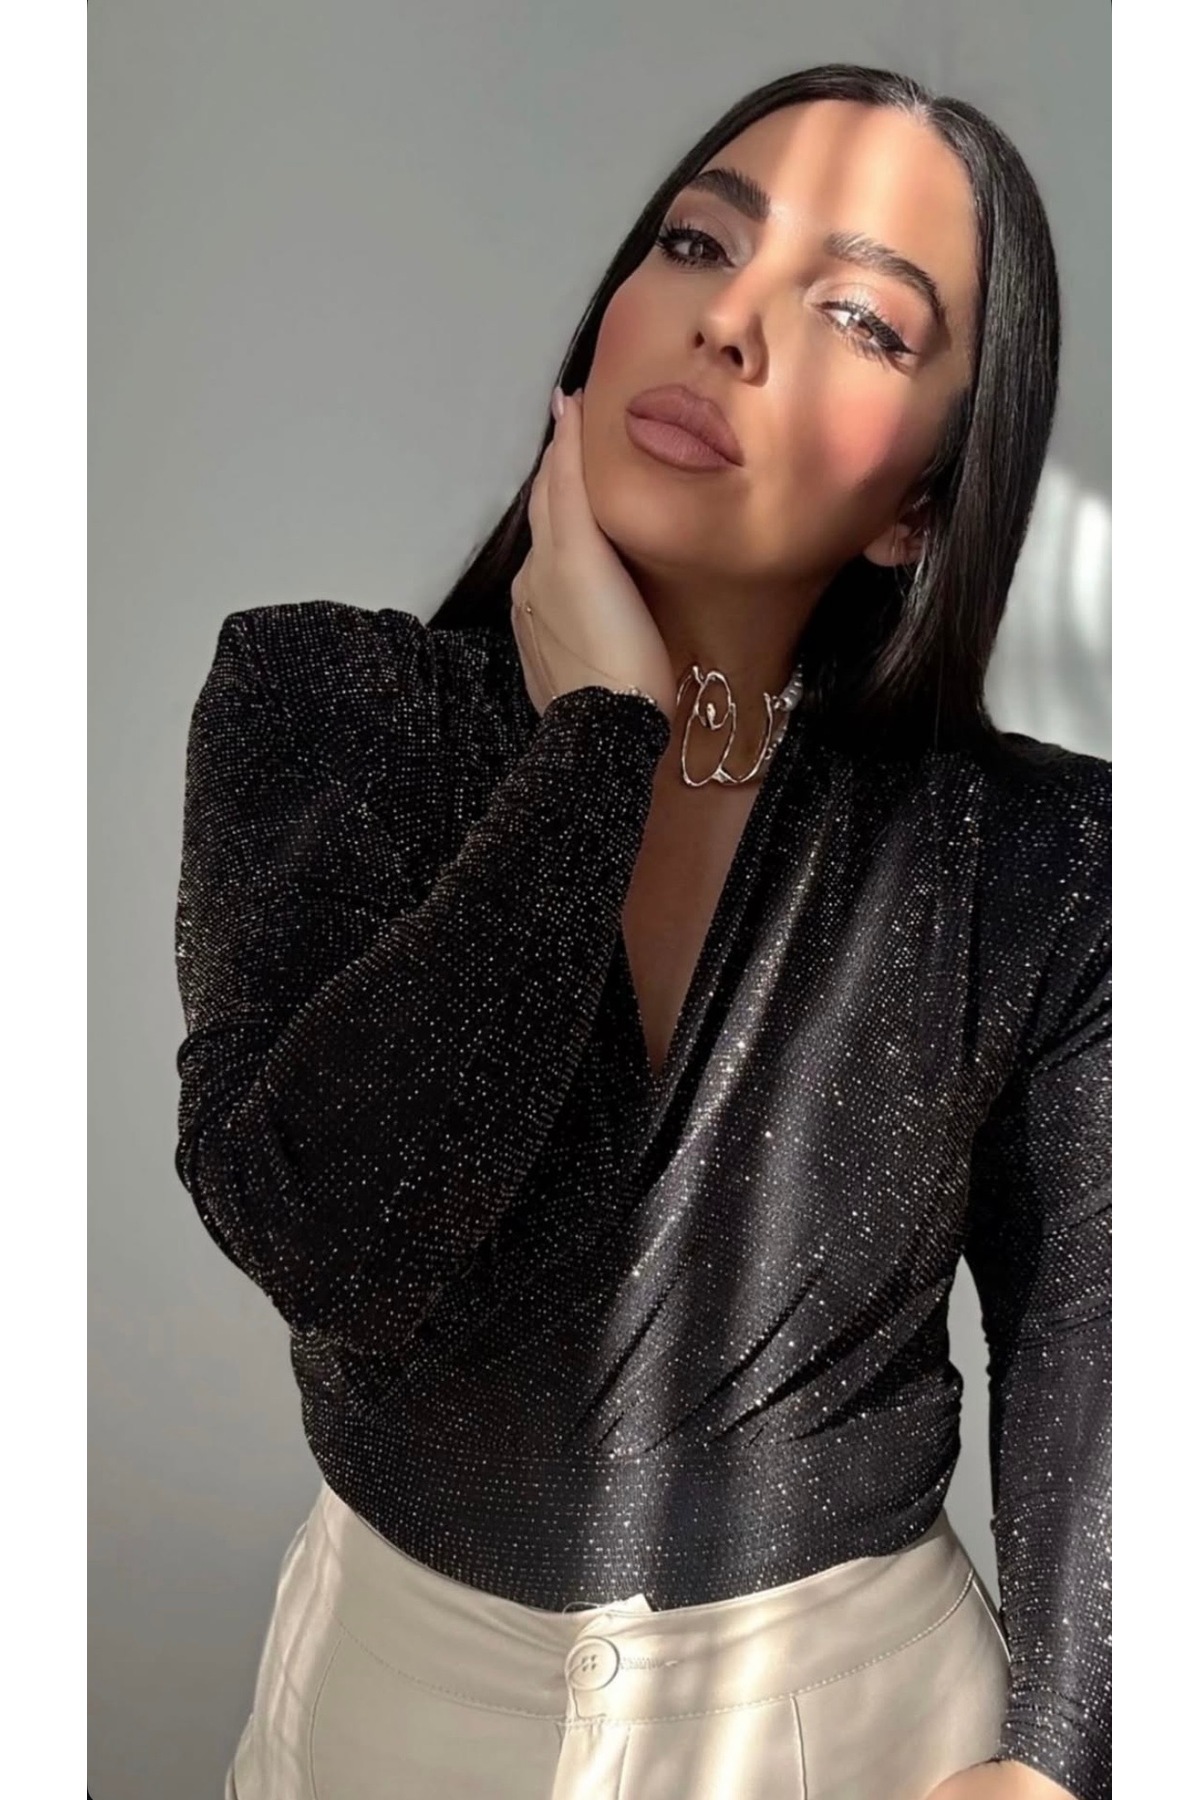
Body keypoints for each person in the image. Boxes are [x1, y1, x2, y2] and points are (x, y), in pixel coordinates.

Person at [173, 61, 1110, 1800]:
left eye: (860, 317)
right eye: (698, 244)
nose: (729, 325)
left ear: (922, 504)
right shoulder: (322, 703)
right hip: (386, 1717)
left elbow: (1100, 1333)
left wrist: (1058, 1759)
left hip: (864, 1731)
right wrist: (596, 749)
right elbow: (330, 1237)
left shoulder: (1042, 860)